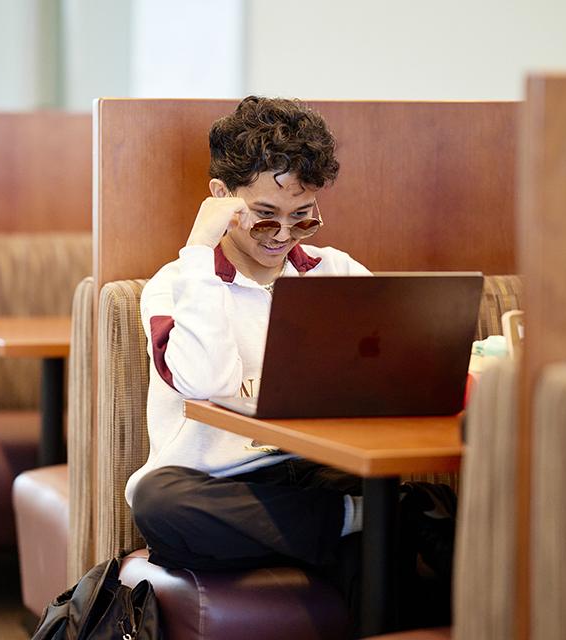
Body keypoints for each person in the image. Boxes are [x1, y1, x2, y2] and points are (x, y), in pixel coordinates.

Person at [126, 96, 455, 628]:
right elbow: (205, 381)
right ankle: (368, 519)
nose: (282, 236)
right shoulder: (174, 286)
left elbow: (395, 368)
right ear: (220, 199)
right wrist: (199, 250)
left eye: (302, 219)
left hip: (319, 472)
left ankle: (359, 521)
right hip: (219, 484)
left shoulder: (334, 272)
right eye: (263, 218)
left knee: (380, 559)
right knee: (157, 500)